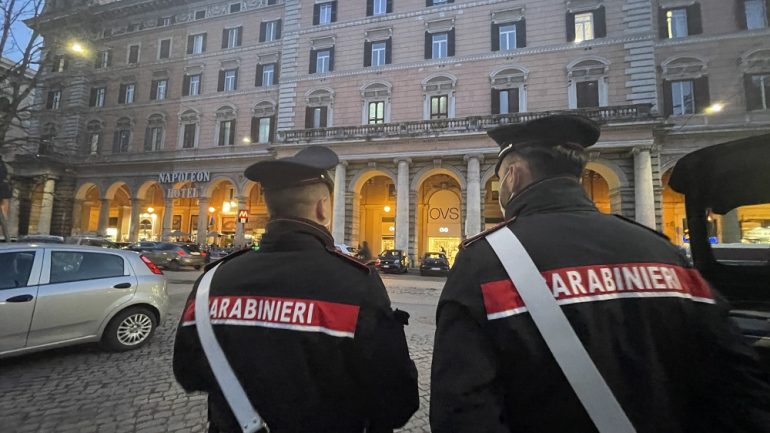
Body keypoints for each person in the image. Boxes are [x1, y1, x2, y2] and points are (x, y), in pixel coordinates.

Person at [430, 114, 770, 433]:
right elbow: (739, 381)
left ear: (515, 175)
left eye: (500, 177)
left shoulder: (485, 260)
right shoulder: (664, 251)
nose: (499, 187)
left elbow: (463, 408)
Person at [173, 145, 418, 433]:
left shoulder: (213, 280)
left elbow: (188, 372)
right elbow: (397, 398)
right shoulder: (355, 283)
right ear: (322, 207)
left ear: (269, 207)